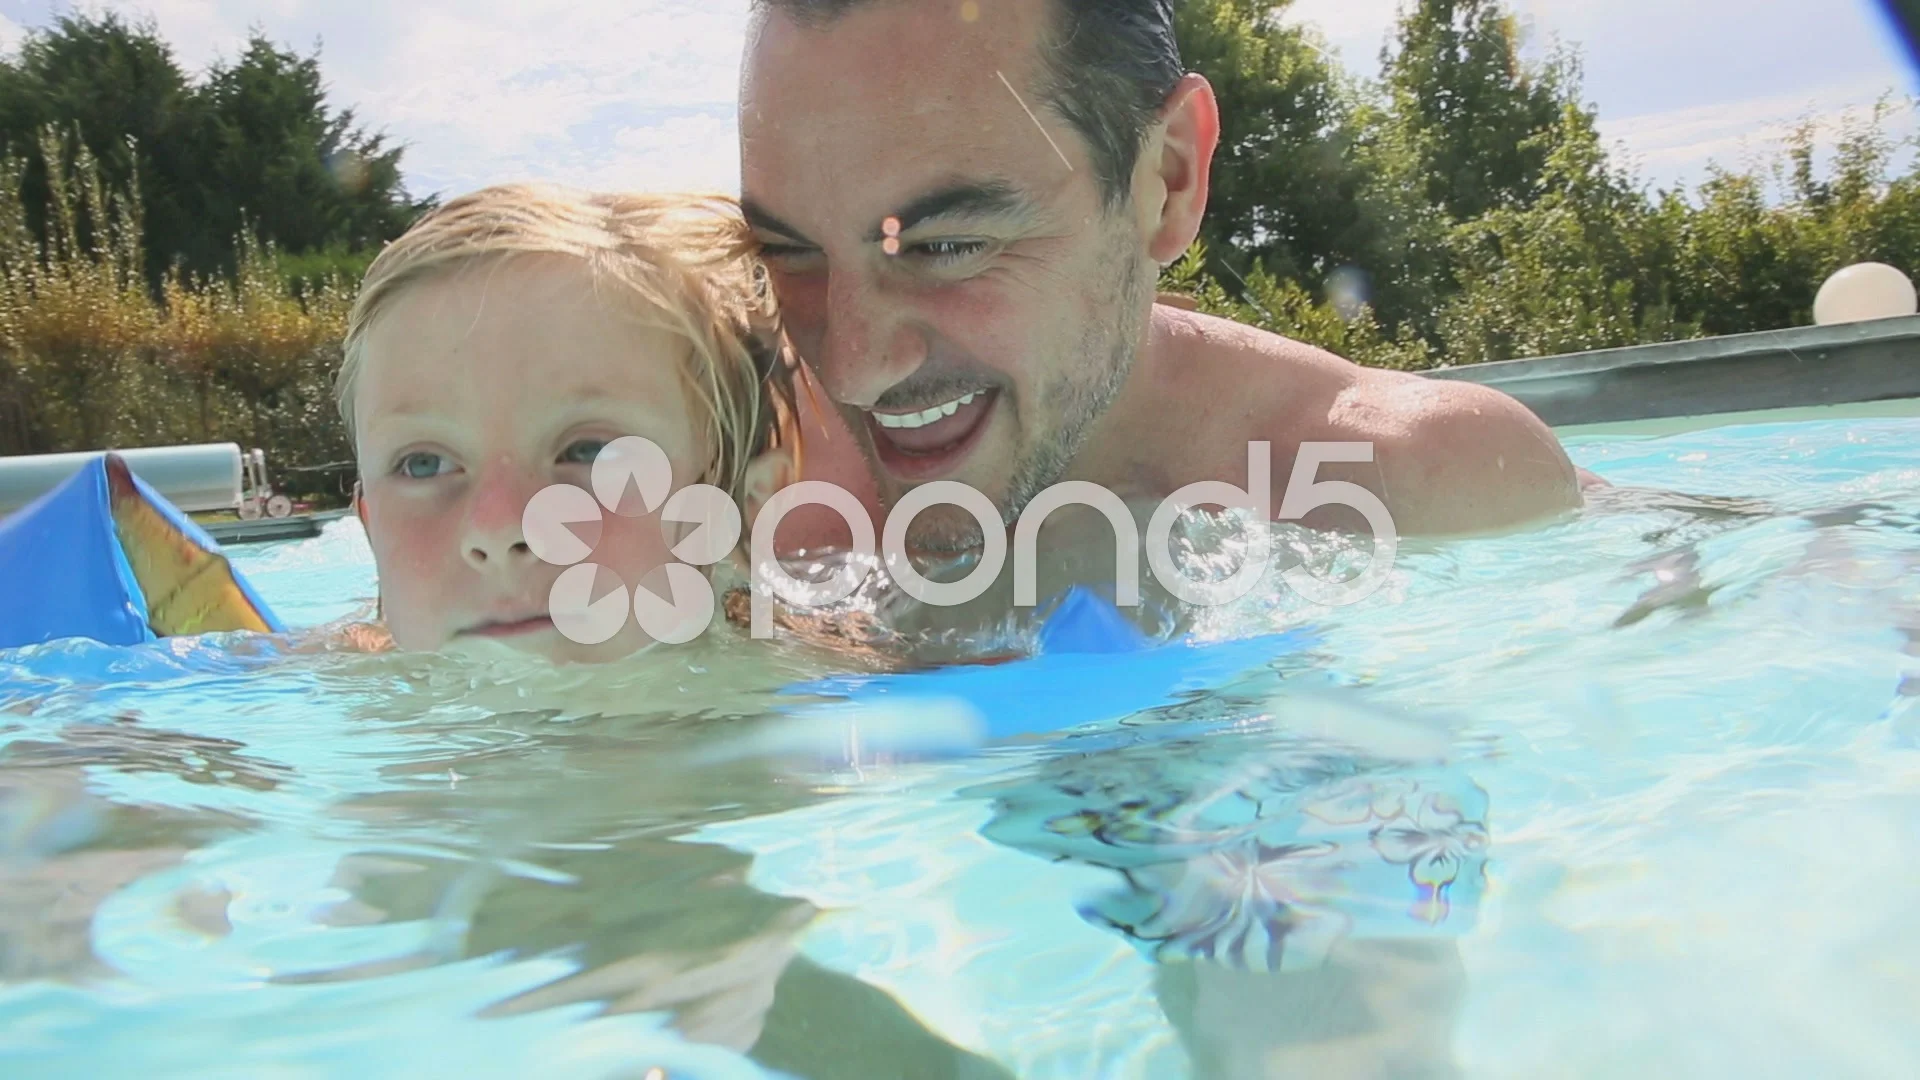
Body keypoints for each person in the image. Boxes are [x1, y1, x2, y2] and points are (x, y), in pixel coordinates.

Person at [735, 0, 1585, 561]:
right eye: (791, 252)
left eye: (946, 246)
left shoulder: (1425, 486)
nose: (851, 367)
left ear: (1168, 180)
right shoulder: (733, 485)